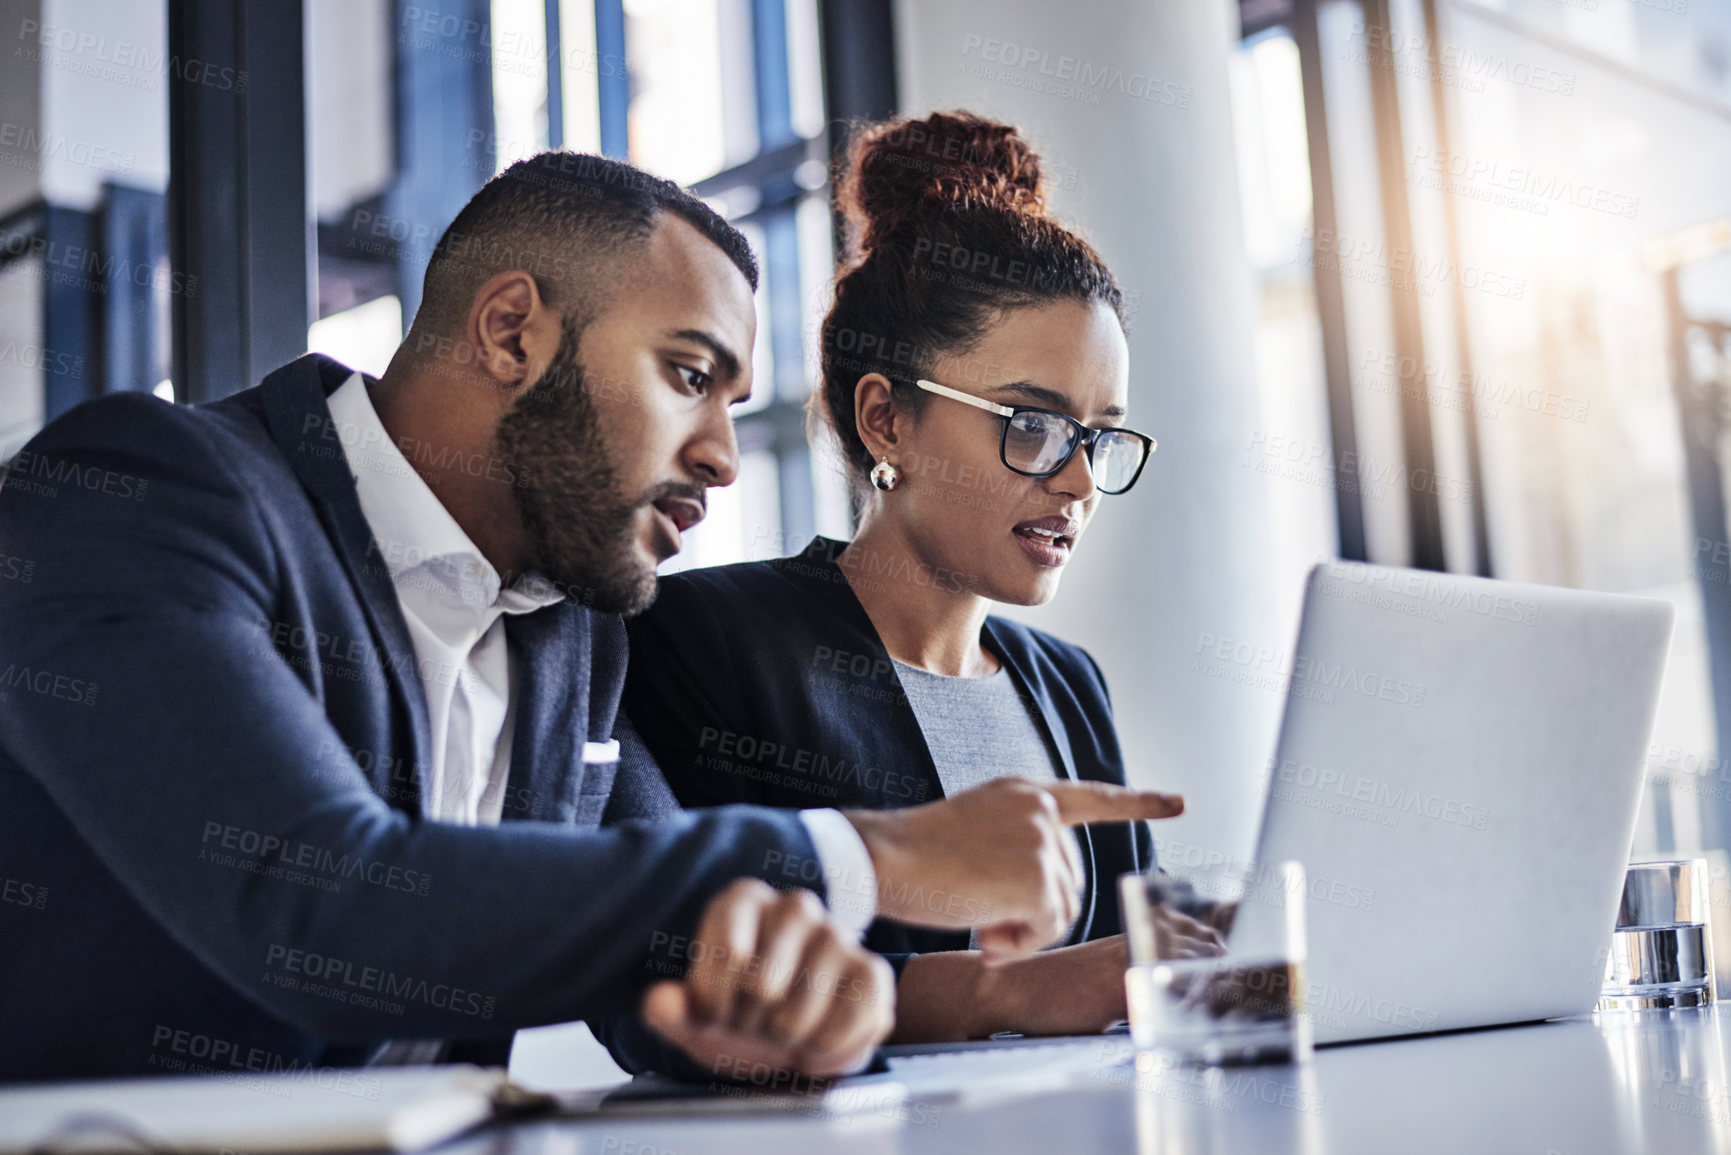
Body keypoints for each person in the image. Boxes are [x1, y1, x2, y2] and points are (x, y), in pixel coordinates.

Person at [0, 150, 1182, 1082]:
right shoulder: (147, 492)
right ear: (512, 331)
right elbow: (315, 894)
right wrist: (871, 857)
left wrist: (778, 1010)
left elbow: (663, 971)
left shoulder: (571, 625)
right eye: (687, 376)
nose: (723, 459)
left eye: (735, 403)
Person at [622, 112, 1188, 1045]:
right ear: (885, 420)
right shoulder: (702, 639)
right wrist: (1006, 993)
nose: (1081, 480)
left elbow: (1124, 981)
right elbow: (668, 982)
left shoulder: (1068, 685)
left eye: (1098, 435)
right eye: (1032, 424)